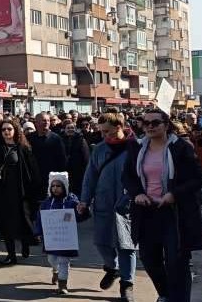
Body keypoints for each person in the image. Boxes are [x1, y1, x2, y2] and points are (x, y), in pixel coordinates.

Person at [124, 108, 202, 302]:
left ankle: (179, 299)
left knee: (177, 261)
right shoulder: (136, 147)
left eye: (155, 123)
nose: (150, 127)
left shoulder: (180, 147)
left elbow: (198, 179)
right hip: (146, 211)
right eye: (146, 123)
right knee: (149, 259)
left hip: (174, 212)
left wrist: (173, 194)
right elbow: (127, 176)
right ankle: (166, 294)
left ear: (166, 125)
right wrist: (137, 194)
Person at [79, 112, 137, 301]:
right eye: (102, 132)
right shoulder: (100, 149)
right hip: (103, 202)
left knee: (126, 246)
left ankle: (127, 285)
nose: (104, 136)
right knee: (102, 242)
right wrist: (84, 200)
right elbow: (90, 177)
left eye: (108, 132)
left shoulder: (136, 147)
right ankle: (112, 268)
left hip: (126, 204)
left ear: (120, 127)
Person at [0, 118, 42, 265]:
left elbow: (33, 171)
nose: (6, 132)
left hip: (21, 192)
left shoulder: (23, 148)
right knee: (5, 225)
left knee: (23, 221)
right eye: (3, 129)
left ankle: (25, 245)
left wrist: (36, 190)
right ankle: (11, 254)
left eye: (9, 129)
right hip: (2, 192)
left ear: (15, 131)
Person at [34, 172, 81, 295]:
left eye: (58, 186)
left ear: (64, 186)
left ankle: (62, 285)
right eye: (53, 186)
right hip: (52, 240)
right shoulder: (46, 204)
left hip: (65, 239)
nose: (55, 188)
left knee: (63, 261)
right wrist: (38, 232)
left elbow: (80, 215)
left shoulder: (71, 201)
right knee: (52, 259)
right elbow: (40, 219)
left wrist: (82, 210)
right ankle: (55, 270)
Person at [29, 112, 66, 190]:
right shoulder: (30, 138)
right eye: (43, 120)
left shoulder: (56, 139)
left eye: (48, 120)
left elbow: (62, 160)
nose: (46, 123)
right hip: (34, 179)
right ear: (36, 122)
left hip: (51, 179)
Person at [60, 120, 90, 204]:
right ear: (64, 129)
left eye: (72, 128)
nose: (70, 129)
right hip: (65, 171)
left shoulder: (81, 140)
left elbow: (86, 157)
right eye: (68, 128)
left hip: (78, 172)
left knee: (78, 194)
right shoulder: (60, 140)